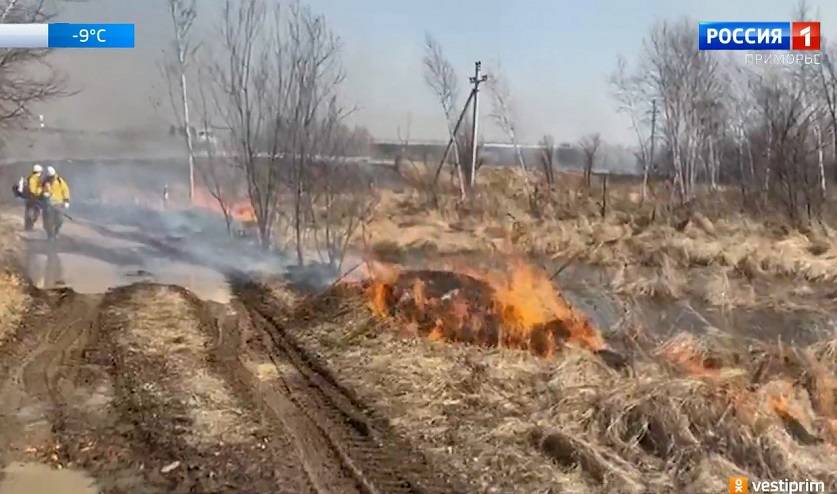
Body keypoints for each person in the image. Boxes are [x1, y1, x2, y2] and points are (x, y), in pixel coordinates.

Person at [40, 166, 70, 239]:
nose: (51, 178)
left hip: (58, 204)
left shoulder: (60, 181)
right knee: (48, 222)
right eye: (50, 177)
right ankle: (50, 235)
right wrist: (43, 194)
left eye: (52, 176)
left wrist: (66, 201)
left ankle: (56, 231)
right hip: (48, 205)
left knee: (59, 220)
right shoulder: (44, 182)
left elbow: (65, 190)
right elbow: (39, 190)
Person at [23, 164, 44, 231]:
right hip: (32, 198)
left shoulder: (32, 178)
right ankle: (29, 227)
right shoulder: (33, 179)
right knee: (32, 213)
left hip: (31, 198)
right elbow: (33, 190)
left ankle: (29, 226)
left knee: (33, 213)